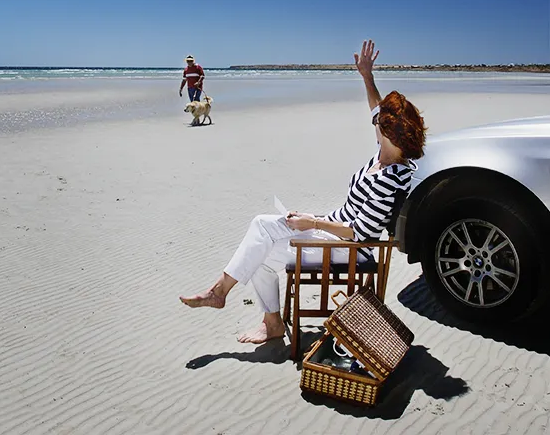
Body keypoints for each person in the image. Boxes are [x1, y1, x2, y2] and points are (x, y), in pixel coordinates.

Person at [179, 40, 427, 344]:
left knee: (260, 234)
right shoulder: (387, 152)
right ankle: (264, 320)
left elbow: (359, 234)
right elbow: (376, 107)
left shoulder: (389, 176)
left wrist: (313, 222)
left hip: (346, 249)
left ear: (386, 129)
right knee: (259, 243)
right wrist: (366, 76)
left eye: (378, 120)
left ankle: (224, 296)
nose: (373, 120)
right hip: (332, 234)